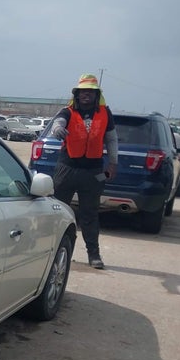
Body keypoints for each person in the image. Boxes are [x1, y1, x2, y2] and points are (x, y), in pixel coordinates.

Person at [49, 73, 118, 269]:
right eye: (83, 91)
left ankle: (93, 255)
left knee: (90, 214)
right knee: (57, 212)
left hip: (94, 173)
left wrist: (113, 163)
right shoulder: (68, 111)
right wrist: (57, 130)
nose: (86, 94)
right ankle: (52, 252)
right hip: (67, 169)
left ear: (96, 95)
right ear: (77, 94)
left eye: (91, 91)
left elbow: (112, 139)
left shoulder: (106, 113)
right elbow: (57, 123)